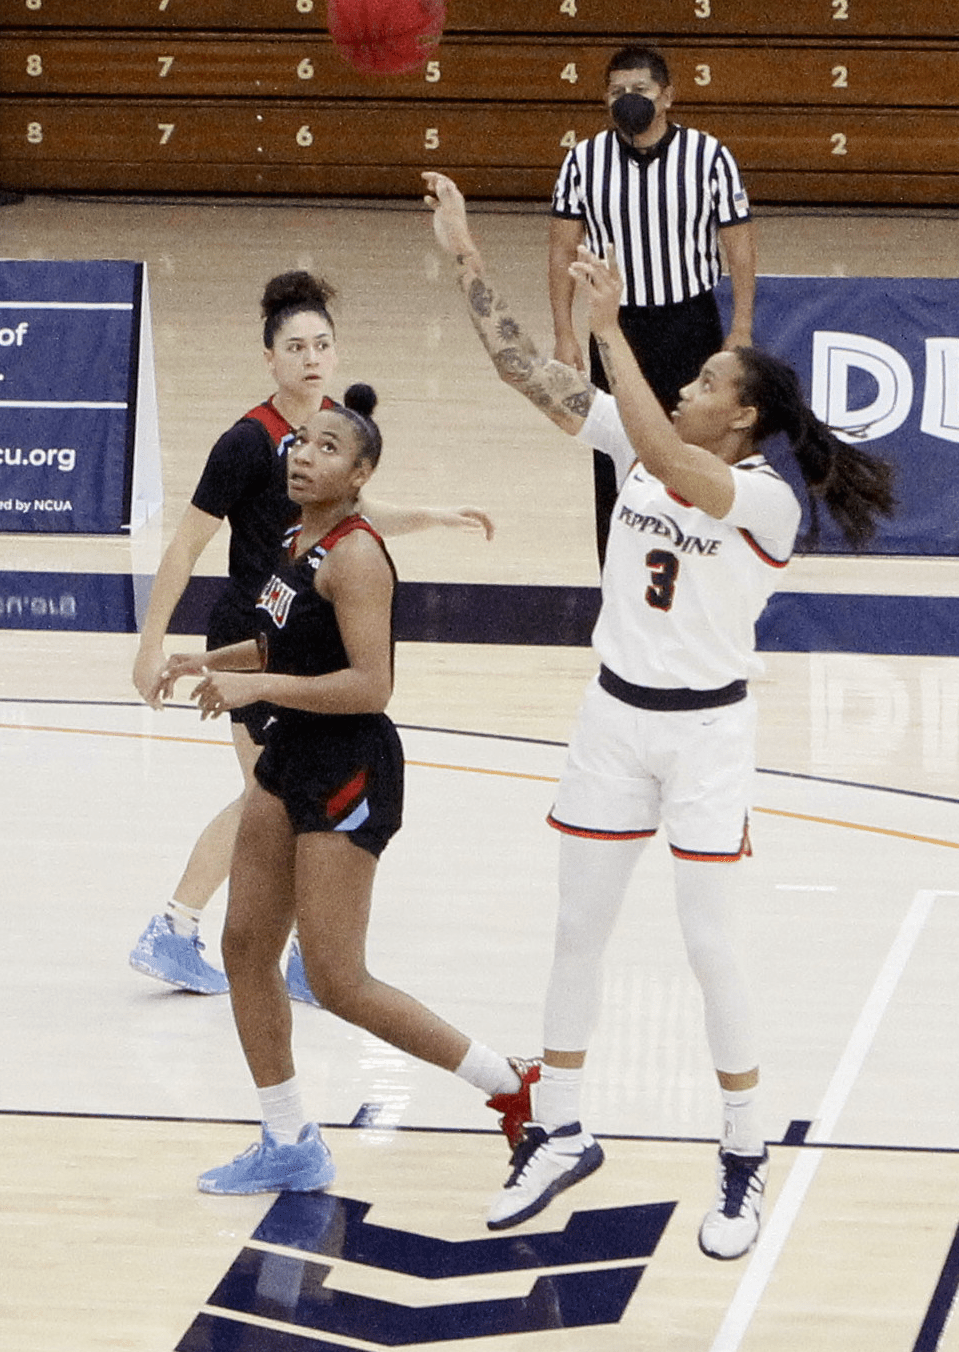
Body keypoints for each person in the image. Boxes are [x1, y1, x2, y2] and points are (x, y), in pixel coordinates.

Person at [422, 170, 894, 1255]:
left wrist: (610, 330)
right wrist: (465, 254)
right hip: (611, 720)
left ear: (744, 413)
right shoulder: (642, 440)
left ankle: (740, 1151)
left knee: (708, 946)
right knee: (575, 931)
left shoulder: (762, 497)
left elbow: (673, 457)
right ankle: (558, 1126)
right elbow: (517, 370)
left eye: (704, 377)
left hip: (706, 735)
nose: (686, 385)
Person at [160, 385, 534, 1194]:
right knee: (244, 947)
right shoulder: (296, 537)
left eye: (328, 447)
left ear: (360, 474)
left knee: (336, 979)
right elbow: (278, 641)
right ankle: (289, 1137)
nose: (304, 454)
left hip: (349, 766)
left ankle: (509, 1084)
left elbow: (371, 686)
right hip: (291, 754)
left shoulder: (359, 555)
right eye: (301, 441)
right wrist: (213, 663)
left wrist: (258, 693)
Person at [130, 270, 494, 1000]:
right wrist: (149, 644)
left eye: (323, 344)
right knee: (272, 795)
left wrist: (433, 515)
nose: (312, 357)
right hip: (253, 629)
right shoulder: (246, 443)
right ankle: (192, 931)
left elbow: (357, 510)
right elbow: (183, 548)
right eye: (296, 346)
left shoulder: (332, 427)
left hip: (301, 630)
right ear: (270, 358)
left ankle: (247, 942)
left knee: (276, 795)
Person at [550, 43, 757, 564]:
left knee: (698, 448)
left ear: (667, 97)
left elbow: (739, 247)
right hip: (617, 327)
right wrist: (565, 332)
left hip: (691, 321)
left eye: (639, 90)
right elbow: (560, 249)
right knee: (616, 451)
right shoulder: (583, 161)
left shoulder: (710, 157)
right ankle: (619, 569)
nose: (628, 100)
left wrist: (741, 328)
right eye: (617, 91)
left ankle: (698, 562)